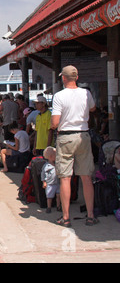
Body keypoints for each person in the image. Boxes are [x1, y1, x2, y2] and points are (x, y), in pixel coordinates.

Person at [51, 65, 98, 227]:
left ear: (63, 78)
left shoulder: (59, 96)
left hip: (65, 136)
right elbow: (93, 108)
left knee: (65, 178)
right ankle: (90, 215)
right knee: (86, 177)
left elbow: (55, 122)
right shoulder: (86, 93)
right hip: (83, 135)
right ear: (76, 77)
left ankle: (65, 217)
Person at [41, 146, 61, 214]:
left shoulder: (57, 164)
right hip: (50, 183)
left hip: (57, 182)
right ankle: (48, 207)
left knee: (59, 195)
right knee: (49, 196)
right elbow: (43, 174)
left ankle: (58, 206)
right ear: (50, 156)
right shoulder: (47, 166)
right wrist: (44, 182)